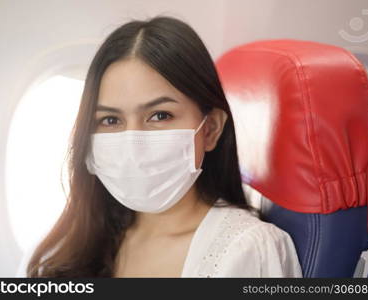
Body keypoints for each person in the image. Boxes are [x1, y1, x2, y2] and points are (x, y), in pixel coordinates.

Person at [16, 16, 302, 278]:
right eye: (110, 120)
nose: (133, 144)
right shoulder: (60, 246)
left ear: (211, 129)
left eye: (160, 115)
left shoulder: (249, 250)